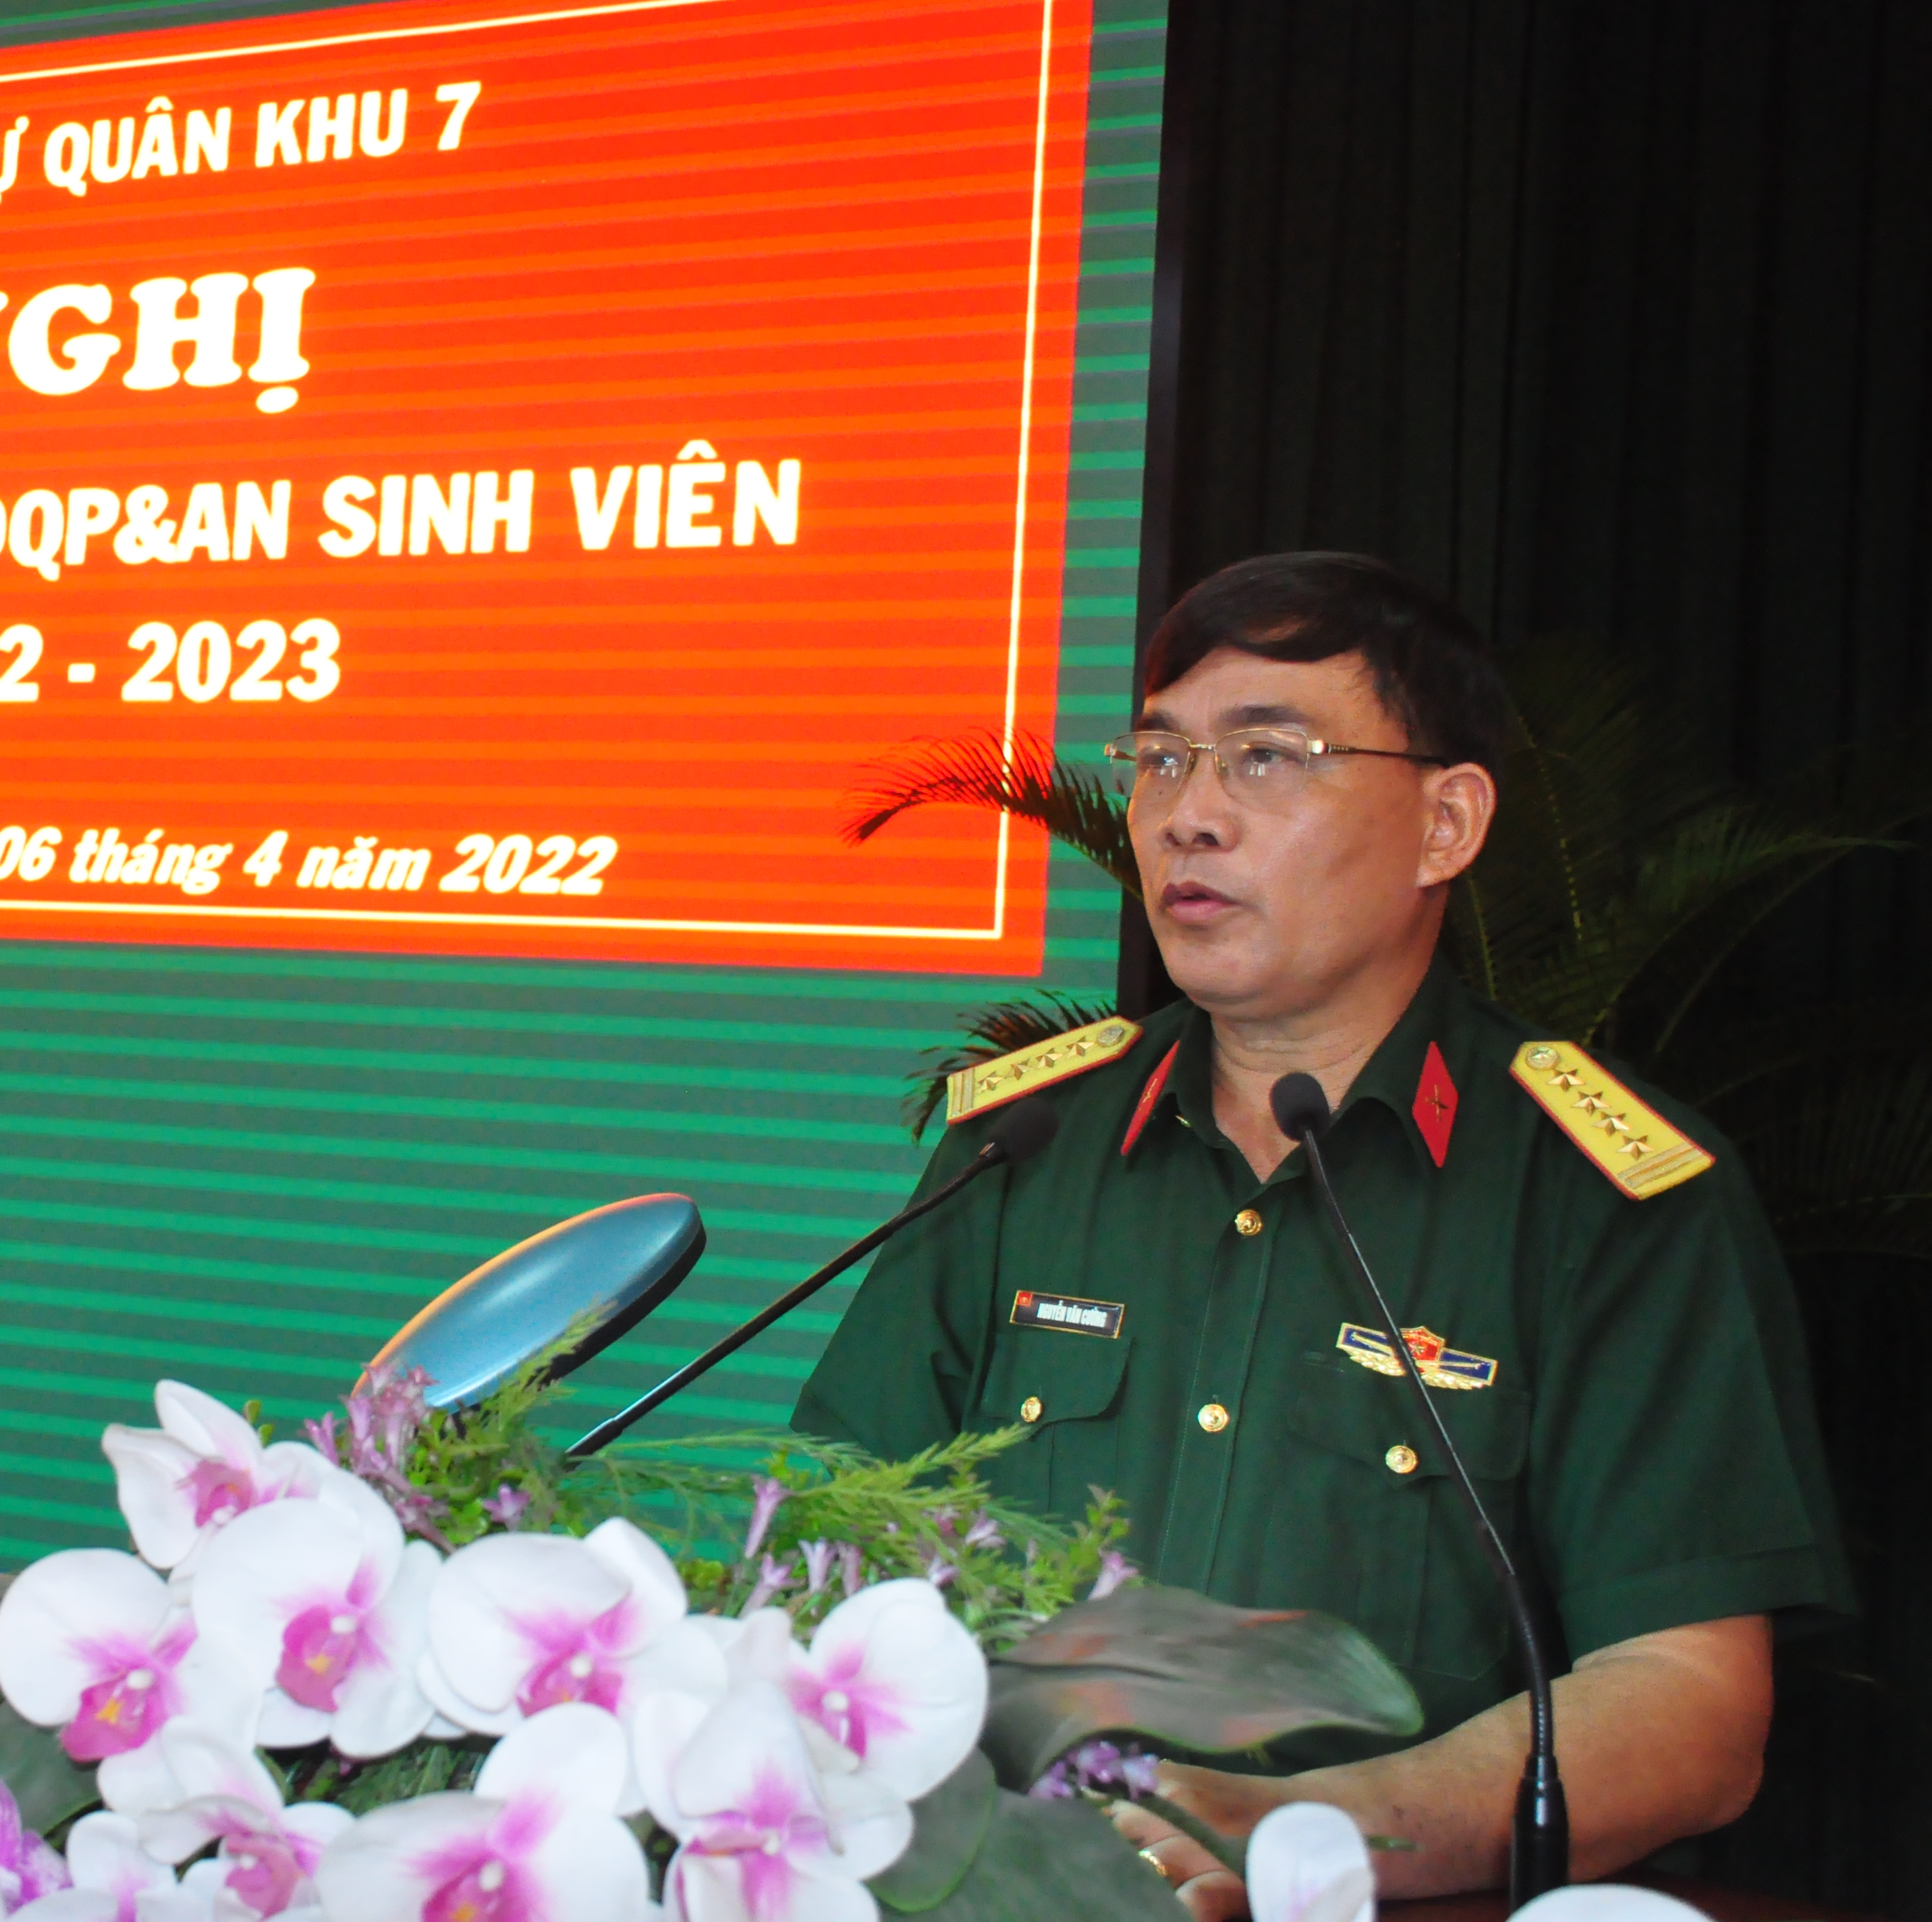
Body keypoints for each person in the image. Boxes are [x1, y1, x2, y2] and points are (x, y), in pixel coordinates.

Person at [792, 552, 1853, 1913]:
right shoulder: (1021, 1145)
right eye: (1161, 761)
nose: (1189, 816)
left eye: (1268, 757)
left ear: (1444, 823)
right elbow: (830, 1557)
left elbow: (1687, 1699)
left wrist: (1319, 1828)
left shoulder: (1601, 1195)